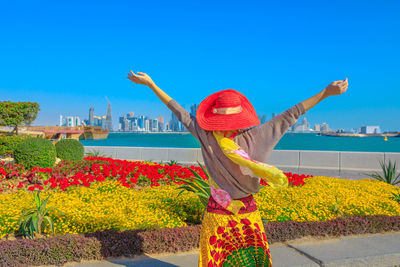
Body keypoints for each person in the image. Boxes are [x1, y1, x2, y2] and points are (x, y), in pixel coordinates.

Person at [127, 70, 348, 267]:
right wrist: (325, 93)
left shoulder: (207, 137)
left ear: (214, 115)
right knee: (249, 260)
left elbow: (180, 113)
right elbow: (292, 114)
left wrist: (152, 84)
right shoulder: (257, 136)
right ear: (241, 115)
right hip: (247, 216)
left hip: (217, 215)